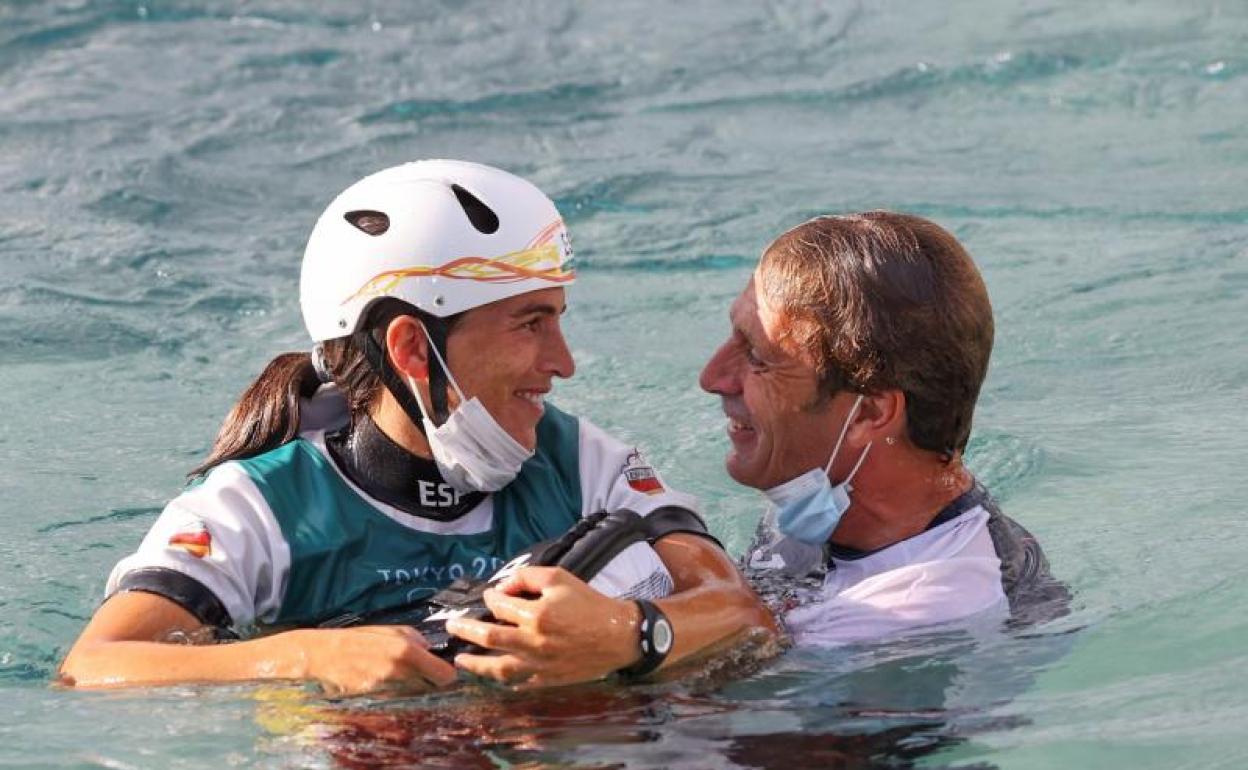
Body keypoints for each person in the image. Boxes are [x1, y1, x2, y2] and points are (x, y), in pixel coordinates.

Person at [61, 160, 774, 694]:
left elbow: (744, 615)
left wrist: (628, 634)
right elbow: (93, 667)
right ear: (411, 349)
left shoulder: (586, 464)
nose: (564, 363)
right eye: (532, 323)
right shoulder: (257, 508)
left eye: (559, 319)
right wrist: (308, 656)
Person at [699, 211, 1066, 647]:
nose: (712, 377)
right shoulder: (824, 487)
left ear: (868, 415)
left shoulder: (915, 617)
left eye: (757, 356)